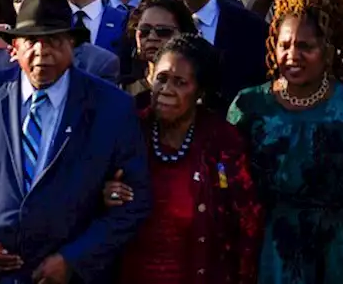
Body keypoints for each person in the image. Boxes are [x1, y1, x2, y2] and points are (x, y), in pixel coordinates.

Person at [0, 0, 152, 283]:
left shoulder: (111, 106)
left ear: (73, 45)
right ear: (14, 47)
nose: (42, 52)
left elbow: (135, 201)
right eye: (32, 41)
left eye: (55, 41)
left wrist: (74, 259)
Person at [228, 0, 343, 284]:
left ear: (328, 48)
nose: (292, 55)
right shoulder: (250, 104)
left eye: (305, 47)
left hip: (339, 249)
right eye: (284, 45)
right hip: (269, 249)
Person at [104, 35, 263, 284]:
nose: (166, 90)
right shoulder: (129, 130)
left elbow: (246, 224)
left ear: (200, 91)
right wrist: (105, 195)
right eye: (162, 79)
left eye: (180, 83)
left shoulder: (222, 143)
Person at [121, 0, 198, 108]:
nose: (151, 37)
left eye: (163, 31)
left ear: (184, 34)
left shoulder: (197, 89)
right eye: (145, 31)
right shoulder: (123, 88)